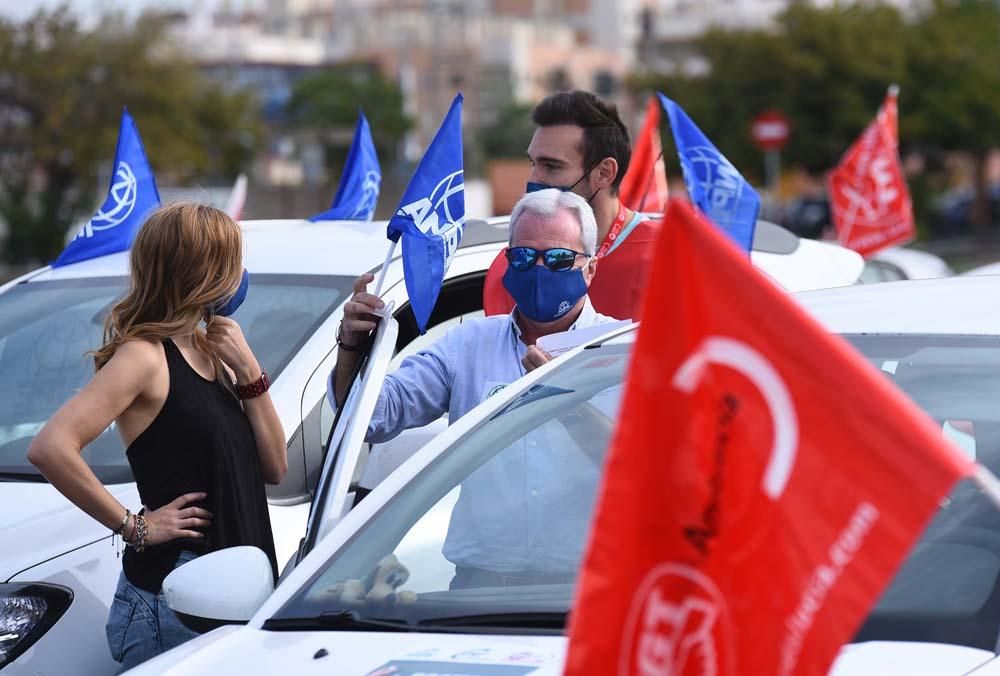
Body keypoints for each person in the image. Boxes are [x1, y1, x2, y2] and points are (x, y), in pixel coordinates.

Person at [28, 203, 287, 670]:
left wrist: (248, 369)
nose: (240, 275)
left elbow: (275, 467)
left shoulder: (218, 351)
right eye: (232, 261)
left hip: (233, 599)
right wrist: (136, 527)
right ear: (200, 271)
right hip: (172, 603)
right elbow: (51, 446)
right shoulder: (145, 355)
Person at [332, 190, 620, 586]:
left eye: (557, 259)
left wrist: (568, 402)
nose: (538, 269)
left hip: (585, 591)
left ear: (590, 267)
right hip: (478, 590)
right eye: (523, 257)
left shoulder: (624, 350)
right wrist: (351, 347)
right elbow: (373, 418)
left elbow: (640, 470)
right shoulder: (468, 346)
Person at [483, 90, 662, 320]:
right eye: (533, 164)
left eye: (552, 166)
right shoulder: (511, 266)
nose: (533, 180)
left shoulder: (665, 257)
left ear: (604, 173)